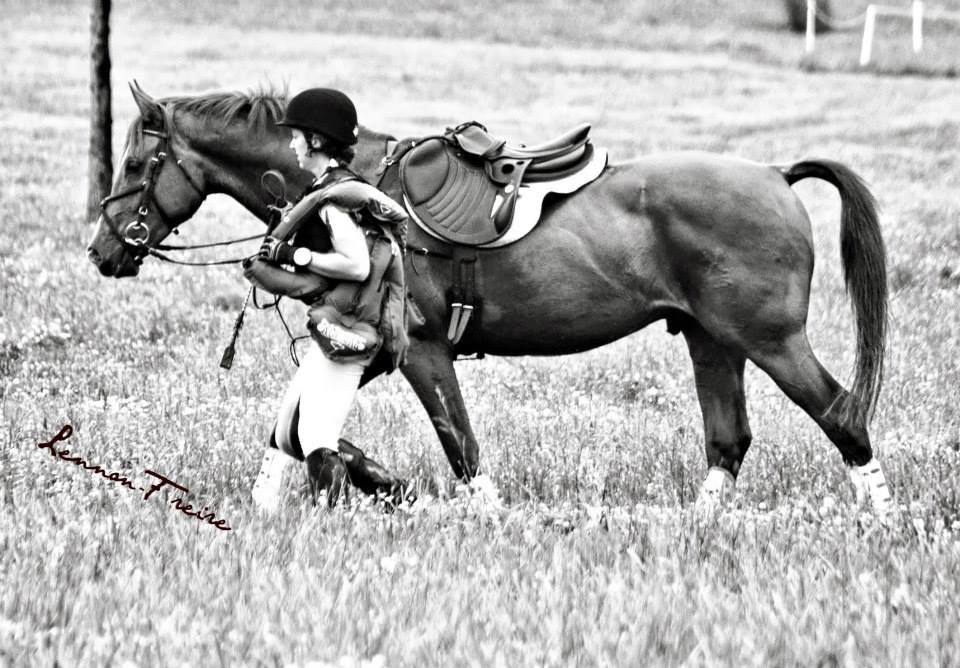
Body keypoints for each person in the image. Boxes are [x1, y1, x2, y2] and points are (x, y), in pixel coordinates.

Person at [247, 87, 411, 511]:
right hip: (340, 321)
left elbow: (356, 265)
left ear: (316, 141)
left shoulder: (334, 200)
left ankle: (333, 525)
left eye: (297, 135)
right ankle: (396, 496)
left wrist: (295, 253)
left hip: (348, 330)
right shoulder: (332, 188)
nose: (292, 143)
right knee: (289, 432)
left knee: (316, 437)